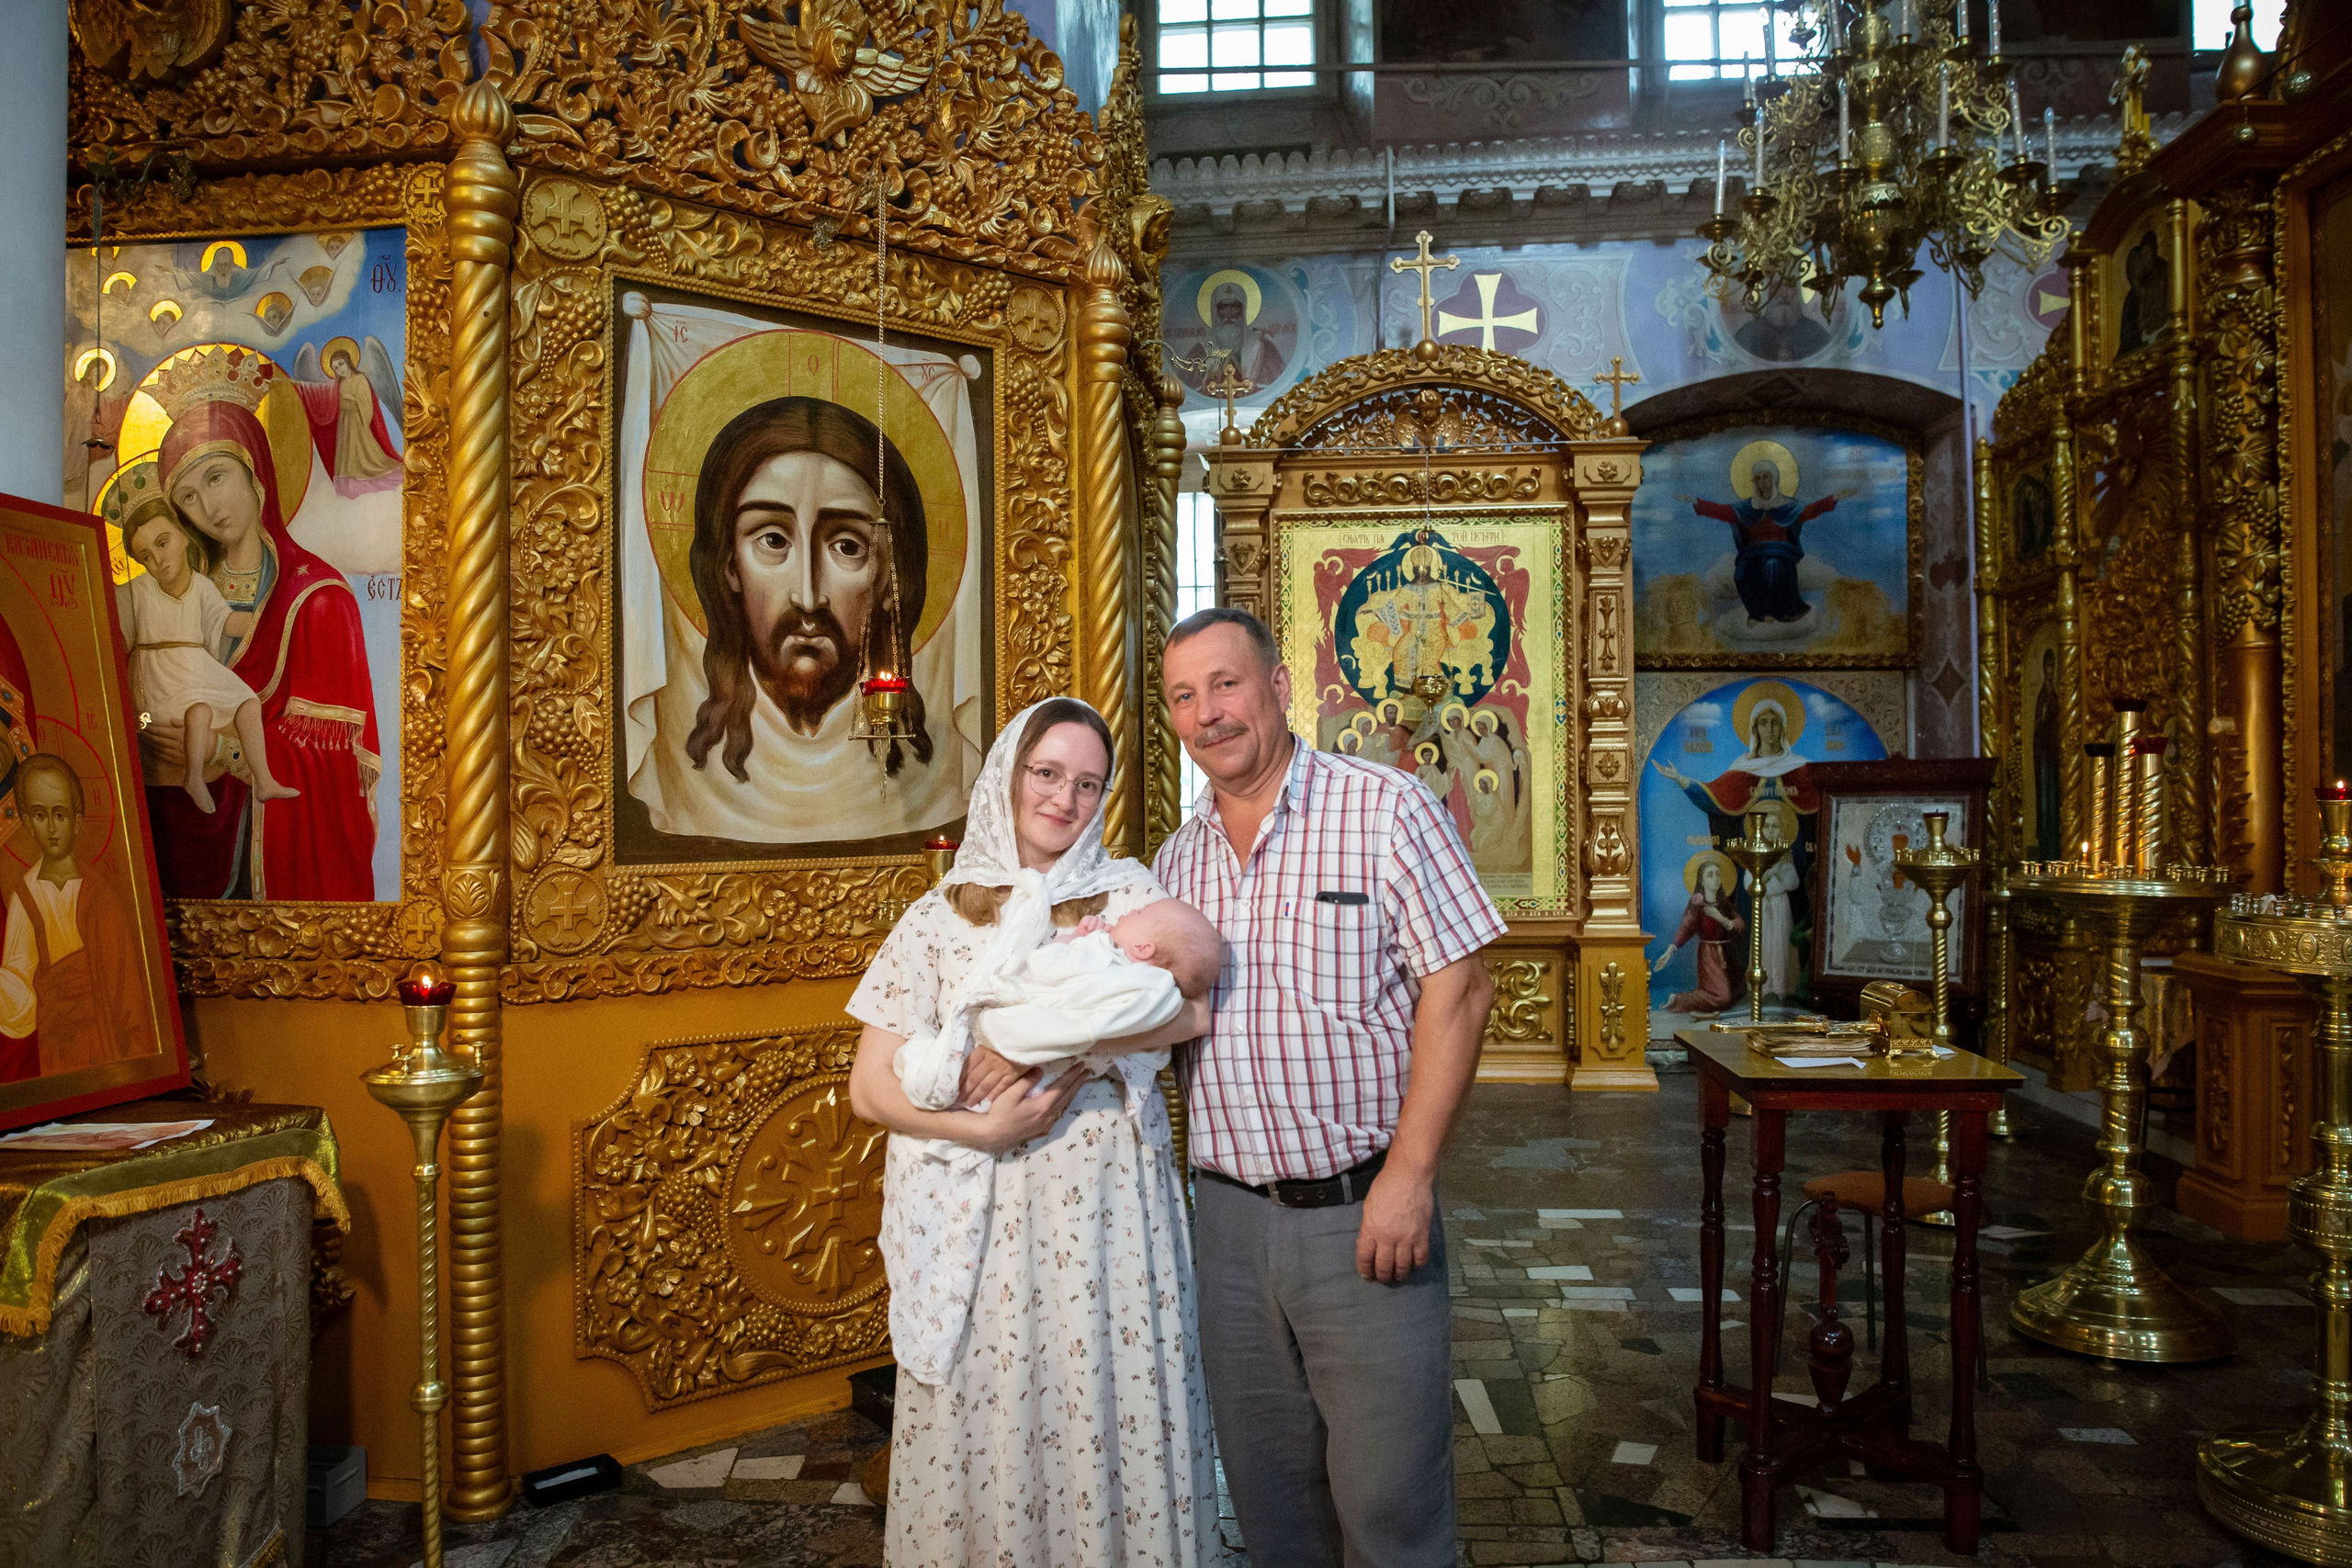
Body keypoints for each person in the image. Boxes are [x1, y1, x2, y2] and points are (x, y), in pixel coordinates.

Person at [1155, 606, 1503, 1568]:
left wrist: (1410, 1174)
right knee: (1273, 1511)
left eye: (1225, 685)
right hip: (1226, 1227)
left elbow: (1462, 988)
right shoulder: (1173, 867)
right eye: (1184, 697)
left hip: (1360, 1212)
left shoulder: (1383, 809)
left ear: (1275, 687)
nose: (1207, 714)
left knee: (1389, 1509)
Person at [845, 697, 1222, 1566]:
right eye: (1047, 774)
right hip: (983, 1223)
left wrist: (1057, 1045)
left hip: (1105, 1213)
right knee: (1000, 1401)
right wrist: (981, 1129)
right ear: (1008, 776)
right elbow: (870, 1087)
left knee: (1102, 1396)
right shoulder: (938, 916)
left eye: (1088, 784)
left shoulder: (1129, 891)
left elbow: (1191, 1008)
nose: (1065, 799)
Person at [632, 396, 968, 844]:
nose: (808, 597)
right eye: (773, 539)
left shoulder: (946, 773)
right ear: (729, 565)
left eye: (848, 546)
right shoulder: (665, 762)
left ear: (890, 578)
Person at [137, 348, 382, 901]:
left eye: (217, 477)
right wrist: (149, 729)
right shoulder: (178, 595)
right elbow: (146, 692)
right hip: (178, 832)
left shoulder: (316, 597)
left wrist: (226, 753)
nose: (209, 507)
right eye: (188, 498)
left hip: (267, 854)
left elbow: (332, 762)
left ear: (255, 467)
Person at [119, 506, 300, 815]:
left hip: (194, 667)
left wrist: (270, 618)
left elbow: (225, 621)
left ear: (184, 537)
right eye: (146, 556)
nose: (158, 561)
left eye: (162, 544)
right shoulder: (136, 591)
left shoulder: (202, 585)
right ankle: (194, 779)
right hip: (157, 677)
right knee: (192, 717)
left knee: (248, 703)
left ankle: (264, 779)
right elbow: (113, 636)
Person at [0, 756, 156, 1075]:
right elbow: (18, 985)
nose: (52, 828)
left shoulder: (101, 895)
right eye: (40, 816)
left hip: (107, 1043)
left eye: (60, 814)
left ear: (77, 821)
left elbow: (127, 987)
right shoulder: (25, 896)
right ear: (28, 823)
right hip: (55, 1047)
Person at [1655, 851, 1746, 1014]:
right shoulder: (1698, 906)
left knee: (1738, 994)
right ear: (1702, 881)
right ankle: (1680, 999)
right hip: (1709, 955)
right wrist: (1670, 951)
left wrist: (1722, 919)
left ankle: (1687, 1000)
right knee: (1722, 997)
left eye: (1718, 874)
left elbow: (1739, 924)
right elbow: (1686, 928)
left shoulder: (1724, 903)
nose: (1716, 878)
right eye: (1710, 875)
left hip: (1728, 955)